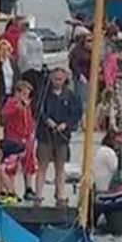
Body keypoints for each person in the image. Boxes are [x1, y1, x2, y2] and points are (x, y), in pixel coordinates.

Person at [36, 67, 82, 206]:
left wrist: (66, 124)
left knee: (60, 166)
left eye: (60, 79)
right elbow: (38, 109)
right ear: (51, 78)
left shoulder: (71, 96)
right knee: (42, 165)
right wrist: (47, 120)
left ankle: (60, 194)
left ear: (65, 79)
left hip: (62, 136)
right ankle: (38, 195)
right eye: (55, 79)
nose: (58, 82)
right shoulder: (44, 94)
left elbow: (76, 114)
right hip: (45, 135)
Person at [2, 80, 37, 200]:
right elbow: (5, 114)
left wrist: (32, 133)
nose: (26, 97)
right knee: (12, 165)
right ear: (17, 93)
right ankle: (11, 189)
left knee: (29, 163)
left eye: (28, 94)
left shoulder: (27, 106)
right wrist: (17, 106)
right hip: (14, 138)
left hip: (27, 137)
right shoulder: (11, 103)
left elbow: (30, 120)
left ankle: (28, 188)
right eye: (24, 94)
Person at [17, 21, 45, 98]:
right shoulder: (37, 39)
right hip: (38, 68)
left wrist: (19, 67)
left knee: (27, 91)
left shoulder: (23, 39)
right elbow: (41, 54)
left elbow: (22, 54)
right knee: (37, 92)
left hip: (27, 68)